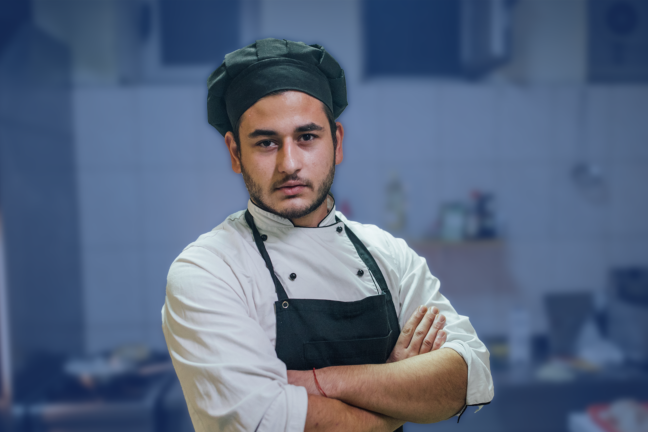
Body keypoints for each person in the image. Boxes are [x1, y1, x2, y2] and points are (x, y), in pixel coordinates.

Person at [162, 38, 494, 432]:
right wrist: (395, 387)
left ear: (336, 142)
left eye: (307, 137)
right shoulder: (207, 270)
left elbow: (466, 374)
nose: (289, 163)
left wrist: (318, 382)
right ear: (235, 153)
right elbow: (264, 421)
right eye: (266, 142)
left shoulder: (388, 254)